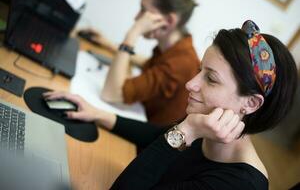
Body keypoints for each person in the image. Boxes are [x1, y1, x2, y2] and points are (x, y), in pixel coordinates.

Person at [44, 20, 298, 189]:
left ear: (251, 103)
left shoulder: (239, 184)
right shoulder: (207, 128)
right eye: (200, 70)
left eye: (210, 78)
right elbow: (158, 135)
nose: (191, 84)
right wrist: (99, 115)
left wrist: (187, 131)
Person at [85, 0, 200, 126]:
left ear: (169, 21)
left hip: (148, 140)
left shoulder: (179, 63)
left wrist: (133, 33)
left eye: (143, 10)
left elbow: (110, 94)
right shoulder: (180, 49)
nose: (136, 17)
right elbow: (149, 65)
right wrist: (108, 44)